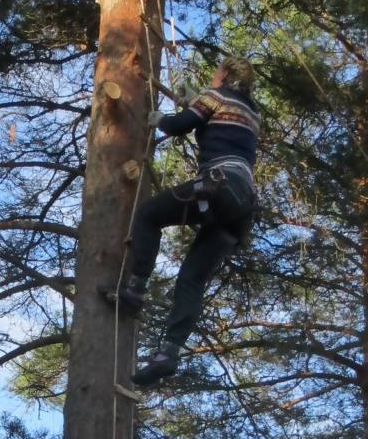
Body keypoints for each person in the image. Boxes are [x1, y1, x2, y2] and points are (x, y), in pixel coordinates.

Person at [104, 55, 259, 387]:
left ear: (225, 75)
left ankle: (136, 289)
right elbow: (220, 129)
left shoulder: (216, 96)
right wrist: (193, 102)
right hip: (241, 206)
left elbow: (179, 126)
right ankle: (168, 353)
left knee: (149, 215)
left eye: (217, 73)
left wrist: (161, 119)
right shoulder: (251, 112)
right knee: (191, 280)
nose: (214, 77)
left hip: (219, 185)